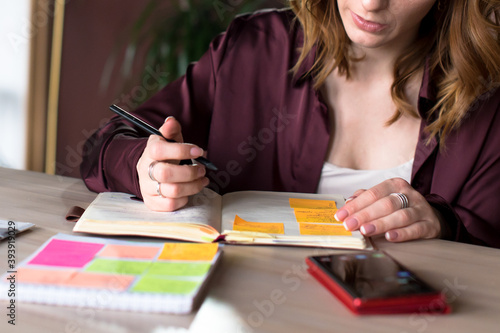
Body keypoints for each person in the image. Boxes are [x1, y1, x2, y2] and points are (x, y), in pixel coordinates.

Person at [81, 1, 500, 248]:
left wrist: (444, 225)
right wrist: (145, 167)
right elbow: (106, 146)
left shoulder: (488, 99)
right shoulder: (255, 47)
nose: (372, 3)